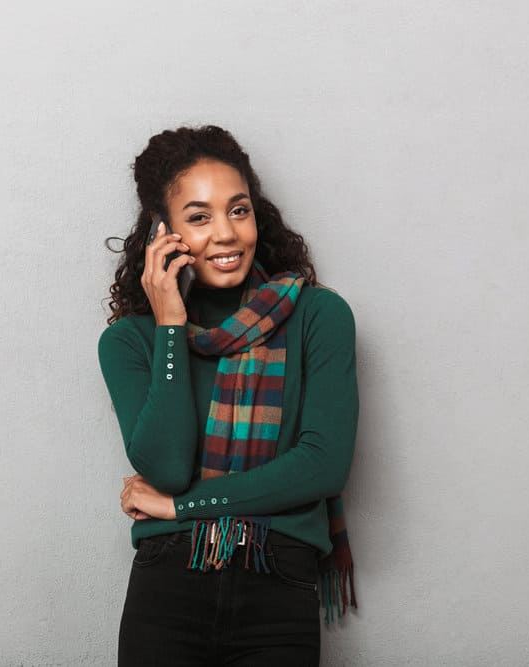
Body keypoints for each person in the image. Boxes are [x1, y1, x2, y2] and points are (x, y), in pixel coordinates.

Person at [98, 125, 359, 666]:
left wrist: (182, 507)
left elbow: (321, 466)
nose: (225, 234)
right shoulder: (130, 342)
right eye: (198, 217)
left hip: (278, 581)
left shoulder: (318, 316)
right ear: (161, 233)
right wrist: (170, 323)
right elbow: (167, 465)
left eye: (238, 211)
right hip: (166, 589)